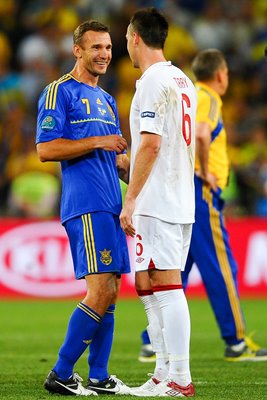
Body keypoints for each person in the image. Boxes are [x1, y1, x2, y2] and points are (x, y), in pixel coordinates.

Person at [139, 48, 267, 363]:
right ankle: (236, 342)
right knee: (223, 269)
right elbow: (200, 132)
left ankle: (152, 340)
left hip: (186, 188)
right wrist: (205, 169)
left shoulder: (194, 94)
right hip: (202, 192)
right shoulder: (207, 97)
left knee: (177, 272)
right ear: (222, 74)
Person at [36, 20, 132, 396]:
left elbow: (114, 157)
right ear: (77, 51)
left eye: (108, 47)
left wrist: (133, 177)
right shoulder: (59, 91)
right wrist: (97, 142)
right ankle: (60, 372)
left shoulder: (107, 99)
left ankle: (99, 376)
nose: (104, 54)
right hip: (86, 203)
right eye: (95, 48)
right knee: (100, 291)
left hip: (110, 204)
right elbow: (46, 149)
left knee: (110, 290)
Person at [120, 7, 197, 397]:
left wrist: (130, 198)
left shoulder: (153, 80)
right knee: (147, 281)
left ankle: (180, 378)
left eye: (126, 39)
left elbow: (151, 144)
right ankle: (162, 372)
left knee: (166, 283)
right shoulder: (183, 80)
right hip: (177, 195)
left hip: (158, 199)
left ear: (135, 37)